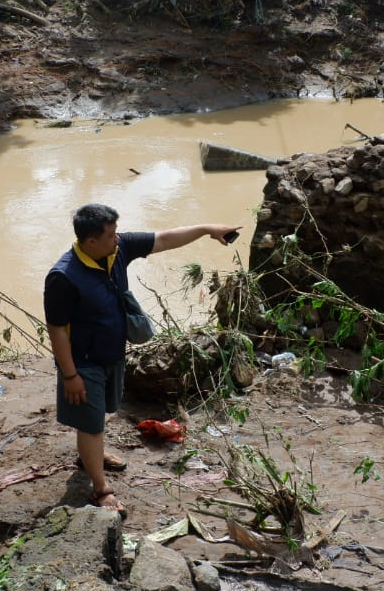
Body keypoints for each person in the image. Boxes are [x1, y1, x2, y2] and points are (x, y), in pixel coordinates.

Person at [43, 203, 241, 516]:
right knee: (91, 424)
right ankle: (100, 488)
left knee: (99, 416)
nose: (117, 238)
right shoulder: (63, 277)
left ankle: (90, 456)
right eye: (110, 235)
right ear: (90, 242)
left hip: (112, 354)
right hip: (83, 362)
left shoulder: (115, 250)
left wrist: (206, 229)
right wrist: (70, 375)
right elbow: (56, 330)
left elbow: (162, 239)